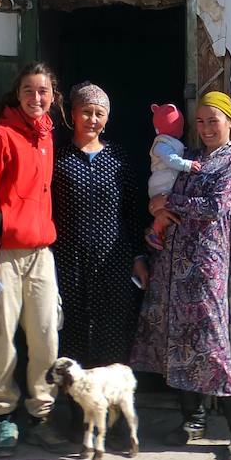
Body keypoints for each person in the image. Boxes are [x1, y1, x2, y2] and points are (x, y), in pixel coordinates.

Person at [129, 91, 231, 460]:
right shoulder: (191, 159)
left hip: (205, 268)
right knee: (177, 341)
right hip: (170, 264)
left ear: (230, 121)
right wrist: (158, 213)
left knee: (211, 344)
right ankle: (193, 421)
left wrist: (171, 203)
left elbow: (217, 207)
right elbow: (162, 196)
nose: (205, 128)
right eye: (199, 122)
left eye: (212, 120)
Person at [0, 61, 70, 457]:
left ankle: (41, 416)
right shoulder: (1, 136)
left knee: (46, 336)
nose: (36, 98)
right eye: (29, 90)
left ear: (52, 95)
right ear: (18, 94)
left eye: (43, 91)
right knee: (1, 338)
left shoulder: (47, 136)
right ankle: (3, 417)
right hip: (2, 257)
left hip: (41, 253)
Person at [52, 82, 148, 369]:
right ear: (73, 115)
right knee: (71, 329)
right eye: (86, 112)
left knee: (113, 329)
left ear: (106, 119)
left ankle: (107, 403)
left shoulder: (118, 158)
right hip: (69, 259)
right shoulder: (59, 158)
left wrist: (138, 256)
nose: (92, 119)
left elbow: (133, 211)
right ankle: (76, 405)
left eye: (99, 113)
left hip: (113, 260)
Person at [143, 103, 200, 250]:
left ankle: (159, 233)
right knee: (164, 211)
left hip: (166, 182)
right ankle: (154, 232)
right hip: (161, 185)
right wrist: (187, 165)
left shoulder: (171, 143)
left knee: (169, 212)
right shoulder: (161, 144)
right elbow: (170, 159)